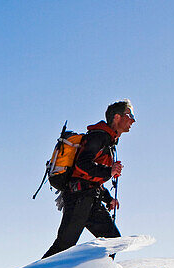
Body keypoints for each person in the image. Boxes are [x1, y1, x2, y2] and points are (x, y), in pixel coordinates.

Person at [42, 100, 136, 258]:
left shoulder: (108, 141)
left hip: (90, 197)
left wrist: (108, 198)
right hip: (79, 197)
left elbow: (91, 177)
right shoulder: (99, 136)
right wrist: (110, 171)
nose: (133, 120)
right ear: (117, 117)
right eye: (130, 115)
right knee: (64, 246)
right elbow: (82, 165)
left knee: (112, 241)